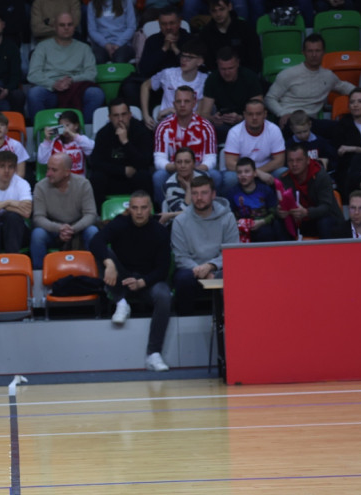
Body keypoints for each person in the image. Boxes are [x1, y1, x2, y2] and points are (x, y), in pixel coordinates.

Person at [89, 190, 173, 372]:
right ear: (130, 209)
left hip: (148, 281)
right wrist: (109, 262)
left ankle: (154, 354)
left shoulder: (160, 231)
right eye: (135, 208)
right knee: (104, 254)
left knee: (164, 296)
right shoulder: (120, 223)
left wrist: (143, 282)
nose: (139, 212)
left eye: (143, 208)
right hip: (122, 278)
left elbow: (163, 269)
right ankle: (120, 301)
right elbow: (95, 241)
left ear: (150, 209)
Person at [171, 175, 239, 315]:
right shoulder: (180, 221)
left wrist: (211, 266)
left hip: (219, 269)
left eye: (204, 193)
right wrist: (201, 271)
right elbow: (180, 257)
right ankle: (185, 323)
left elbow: (232, 252)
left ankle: (232, 324)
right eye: (195, 193)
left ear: (213, 194)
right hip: (192, 271)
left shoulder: (228, 217)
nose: (199, 197)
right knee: (182, 279)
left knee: (237, 275)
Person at [265, 34, 354, 132]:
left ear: (323, 52)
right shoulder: (288, 74)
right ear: (304, 53)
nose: (314, 55)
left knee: (344, 128)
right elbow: (270, 98)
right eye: (310, 51)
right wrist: (282, 113)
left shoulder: (328, 76)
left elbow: (345, 87)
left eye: (317, 51)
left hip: (311, 121)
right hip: (290, 118)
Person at [27, 13, 104, 123]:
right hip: (50, 90)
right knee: (34, 94)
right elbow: (33, 74)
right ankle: (42, 132)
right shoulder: (42, 47)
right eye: (62, 25)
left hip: (76, 87)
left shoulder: (84, 48)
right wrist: (54, 84)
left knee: (96, 94)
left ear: (74, 27)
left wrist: (71, 80)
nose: (66, 28)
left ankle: (82, 132)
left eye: (70, 24)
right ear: (55, 27)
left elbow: (91, 73)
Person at [29, 152, 100, 270]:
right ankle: (40, 277)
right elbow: (38, 218)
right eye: (48, 169)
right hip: (53, 230)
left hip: (78, 229)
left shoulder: (83, 184)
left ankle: (94, 274)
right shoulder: (40, 187)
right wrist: (59, 228)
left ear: (67, 172)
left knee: (92, 231)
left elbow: (91, 214)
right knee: (38, 235)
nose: (48, 173)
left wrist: (73, 229)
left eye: (54, 170)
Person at [152, 86, 218, 205]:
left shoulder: (206, 126)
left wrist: (193, 169)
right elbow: (159, 159)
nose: (182, 105)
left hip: (197, 169)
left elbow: (211, 159)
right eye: (179, 101)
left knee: (215, 175)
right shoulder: (163, 127)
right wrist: (178, 167)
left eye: (186, 101)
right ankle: (165, 213)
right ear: (174, 104)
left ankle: (208, 211)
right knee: (158, 176)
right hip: (174, 169)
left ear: (194, 103)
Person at [89, 98, 154, 204]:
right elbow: (95, 162)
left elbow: (146, 161)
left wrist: (125, 142)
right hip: (112, 177)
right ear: (109, 117)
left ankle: (147, 212)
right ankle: (100, 216)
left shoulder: (141, 131)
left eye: (124, 114)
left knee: (144, 176)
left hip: (134, 178)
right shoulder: (103, 134)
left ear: (130, 115)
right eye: (116, 115)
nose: (120, 119)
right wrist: (122, 170)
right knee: (97, 178)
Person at [277, 142, 343, 240]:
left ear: (308, 160)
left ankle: (329, 253)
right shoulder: (284, 178)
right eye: (291, 161)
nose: (294, 164)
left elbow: (326, 207)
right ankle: (285, 254)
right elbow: (278, 204)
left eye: (299, 160)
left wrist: (307, 212)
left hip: (323, 219)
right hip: (300, 221)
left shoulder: (321, 176)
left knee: (324, 222)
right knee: (278, 222)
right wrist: (280, 211)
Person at [222, 98, 286, 193]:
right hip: (243, 172)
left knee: (283, 172)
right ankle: (233, 206)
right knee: (230, 178)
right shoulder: (234, 132)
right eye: (250, 114)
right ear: (244, 115)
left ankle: (279, 205)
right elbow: (230, 163)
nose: (254, 117)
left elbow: (279, 161)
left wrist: (255, 172)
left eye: (258, 114)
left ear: (265, 114)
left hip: (267, 170)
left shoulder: (274, 130)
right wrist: (256, 173)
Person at [197, 47, 263, 140]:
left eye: (230, 68)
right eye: (223, 69)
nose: (227, 72)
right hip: (222, 124)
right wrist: (213, 119)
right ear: (218, 66)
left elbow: (258, 109)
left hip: (247, 121)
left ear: (238, 64)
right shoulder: (212, 79)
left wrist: (241, 118)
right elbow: (204, 113)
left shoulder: (250, 77)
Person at [141, 40, 207, 131]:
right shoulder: (168, 74)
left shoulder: (205, 80)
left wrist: (172, 110)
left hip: (193, 126)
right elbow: (145, 85)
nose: (184, 60)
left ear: (200, 61)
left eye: (189, 57)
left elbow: (201, 113)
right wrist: (146, 115)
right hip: (167, 124)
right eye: (183, 56)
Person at [226, 156, 282, 242]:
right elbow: (230, 215)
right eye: (239, 172)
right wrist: (239, 224)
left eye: (247, 171)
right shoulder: (232, 193)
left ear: (255, 173)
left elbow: (274, 213)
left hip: (263, 226)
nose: (243, 175)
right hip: (241, 229)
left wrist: (262, 222)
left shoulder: (265, 190)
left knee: (268, 230)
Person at [196, 0, 260, 73]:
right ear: (210, 12)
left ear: (229, 7)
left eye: (221, 9)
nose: (218, 14)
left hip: (245, 77)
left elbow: (254, 59)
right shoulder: (205, 33)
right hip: (217, 77)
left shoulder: (245, 28)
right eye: (214, 11)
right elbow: (207, 62)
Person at [37, 109, 94, 176]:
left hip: (78, 181)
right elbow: (42, 160)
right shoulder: (54, 142)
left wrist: (73, 135)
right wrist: (47, 140)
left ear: (76, 126)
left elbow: (92, 148)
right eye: (62, 126)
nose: (65, 129)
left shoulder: (81, 141)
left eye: (67, 125)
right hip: (58, 181)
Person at [160, 146, 206, 221]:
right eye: (179, 162)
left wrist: (172, 215)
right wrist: (188, 189)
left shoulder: (204, 177)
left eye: (187, 162)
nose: (183, 166)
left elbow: (206, 209)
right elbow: (180, 218)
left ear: (194, 164)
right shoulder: (169, 186)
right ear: (174, 164)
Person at [332, 87, 361, 187]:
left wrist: (354, 148)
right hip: (350, 170)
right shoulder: (342, 125)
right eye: (352, 102)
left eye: (360, 101)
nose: (355, 105)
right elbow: (338, 152)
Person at [86, 0, 137, 64]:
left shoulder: (126, 2)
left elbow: (131, 27)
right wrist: (106, 44)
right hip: (101, 45)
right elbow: (92, 30)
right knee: (98, 58)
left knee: (119, 59)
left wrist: (118, 44)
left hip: (123, 44)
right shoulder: (92, 4)